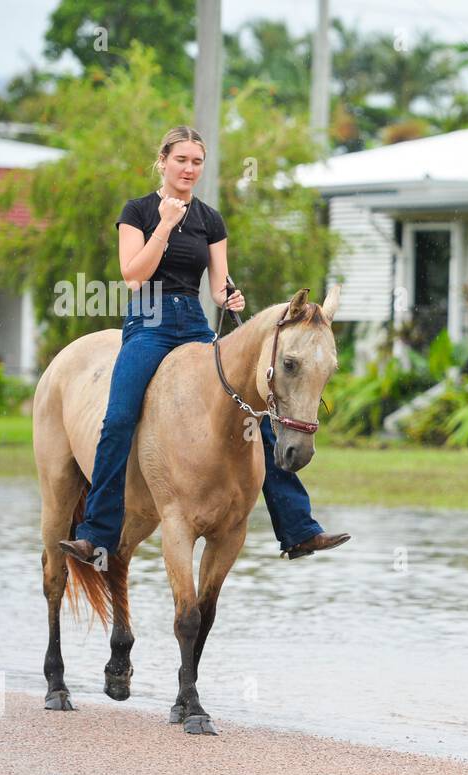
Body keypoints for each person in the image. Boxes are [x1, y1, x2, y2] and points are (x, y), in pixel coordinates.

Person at [59, 125, 348, 566]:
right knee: (117, 417)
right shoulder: (136, 212)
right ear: (162, 161)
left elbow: (216, 284)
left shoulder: (210, 219)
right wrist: (166, 225)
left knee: (257, 411)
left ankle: (298, 528)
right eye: (181, 160)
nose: (189, 169)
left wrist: (228, 296)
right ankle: (96, 534)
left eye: (197, 162)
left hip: (194, 324)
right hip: (148, 322)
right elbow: (133, 276)